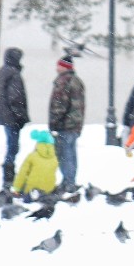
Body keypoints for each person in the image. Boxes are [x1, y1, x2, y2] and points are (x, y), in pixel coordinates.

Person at [0, 47, 29, 189]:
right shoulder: (13, 74)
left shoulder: (1, 72)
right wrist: (20, 115)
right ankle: (9, 178)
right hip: (13, 118)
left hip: (5, 116)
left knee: (11, 146)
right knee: (13, 148)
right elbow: (15, 97)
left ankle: (8, 176)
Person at [48, 57, 85, 190]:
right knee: (71, 153)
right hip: (75, 124)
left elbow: (59, 105)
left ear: (64, 67)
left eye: (58, 66)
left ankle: (68, 182)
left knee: (64, 154)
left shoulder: (63, 81)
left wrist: (54, 122)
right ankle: (71, 180)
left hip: (64, 124)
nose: (56, 68)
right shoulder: (77, 81)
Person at [12, 127, 58, 195]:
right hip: (48, 191)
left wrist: (17, 189)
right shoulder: (54, 158)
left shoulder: (32, 156)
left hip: (31, 191)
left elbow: (22, 173)